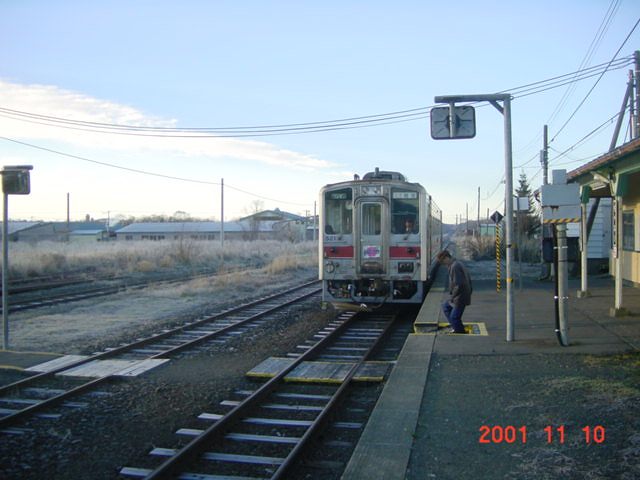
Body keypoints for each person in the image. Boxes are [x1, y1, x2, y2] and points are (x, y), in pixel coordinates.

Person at [436, 250, 472, 334]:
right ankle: (456, 327)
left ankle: (459, 331)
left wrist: (452, 297)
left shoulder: (454, 266)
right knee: (446, 306)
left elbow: (458, 284)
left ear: (446, 258)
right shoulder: (456, 263)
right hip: (462, 293)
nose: (444, 264)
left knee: (454, 317)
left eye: (443, 262)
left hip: (461, 295)